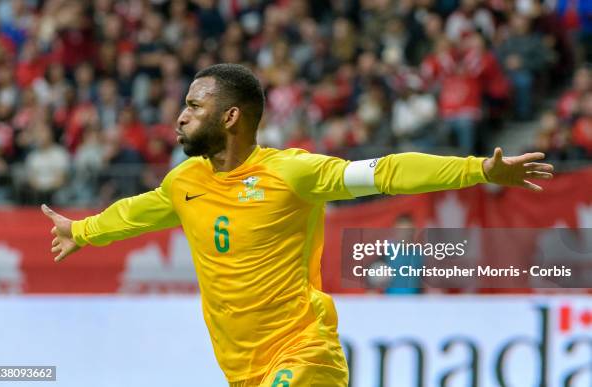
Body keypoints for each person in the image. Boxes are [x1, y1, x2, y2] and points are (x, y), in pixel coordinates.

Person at [42, 64, 553, 386]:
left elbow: (384, 172)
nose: (179, 117)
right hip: (240, 370)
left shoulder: (293, 173)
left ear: (230, 117)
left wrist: (479, 169)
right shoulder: (185, 182)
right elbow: (137, 211)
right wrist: (81, 232)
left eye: (194, 106)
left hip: (304, 353)